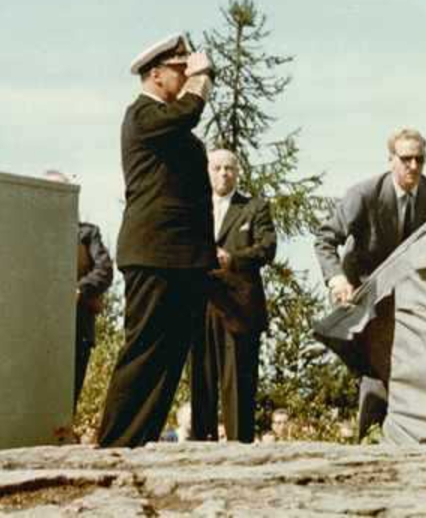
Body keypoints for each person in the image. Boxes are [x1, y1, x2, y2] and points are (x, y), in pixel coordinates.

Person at [97, 33, 215, 448]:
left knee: (169, 355)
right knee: (144, 348)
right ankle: (114, 442)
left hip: (183, 258)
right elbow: (186, 114)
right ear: (155, 73)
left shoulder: (174, 127)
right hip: (153, 255)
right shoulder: (142, 115)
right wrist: (201, 84)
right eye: (181, 70)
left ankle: (139, 438)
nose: (188, 77)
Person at [314, 128, 426, 437]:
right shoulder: (364, 194)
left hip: (409, 295)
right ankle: (369, 439)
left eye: (420, 159)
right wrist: (337, 281)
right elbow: (324, 238)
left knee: (413, 368)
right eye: (406, 159)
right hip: (363, 291)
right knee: (375, 370)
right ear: (390, 160)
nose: (413, 167)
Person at [190, 149, 277, 444]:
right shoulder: (194, 206)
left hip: (240, 308)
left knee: (238, 381)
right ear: (207, 171)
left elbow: (268, 247)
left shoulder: (254, 207)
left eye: (229, 168)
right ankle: (201, 446)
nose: (223, 173)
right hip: (201, 304)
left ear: (237, 173)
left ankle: (240, 449)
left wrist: (234, 259)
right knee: (201, 379)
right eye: (217, 168)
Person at [44, 171, 116, 415]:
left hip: (78, 327)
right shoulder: (31, 234)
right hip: (39, 329)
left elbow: (104, 269)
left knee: (68, 400)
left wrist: (80, 290)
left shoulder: (87, 234)